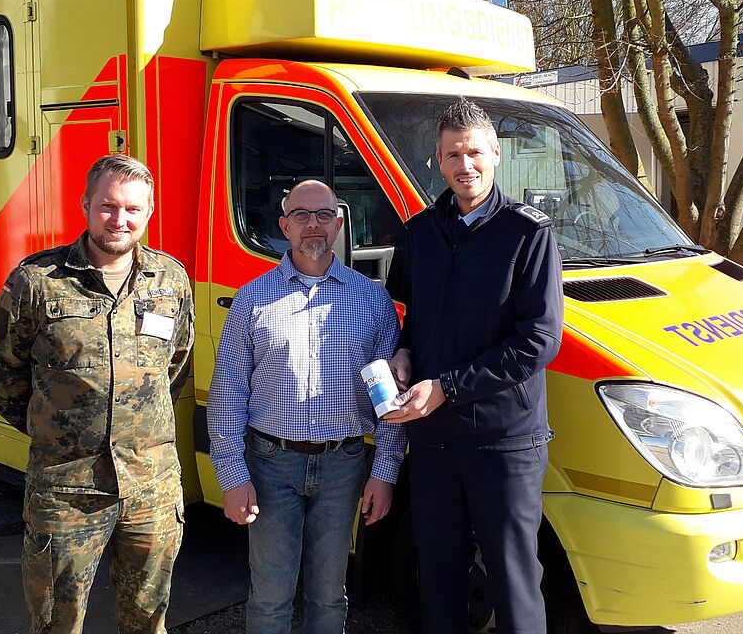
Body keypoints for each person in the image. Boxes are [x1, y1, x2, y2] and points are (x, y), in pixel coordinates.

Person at [0, 154, 194, 634]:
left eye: (132, 209)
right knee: (58, 623)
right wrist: (58, 432)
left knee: (148, 620)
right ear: (85, 204)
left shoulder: (171, 279)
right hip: (65, 489)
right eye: (107, 206)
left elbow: (174, 366)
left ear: (149, 213)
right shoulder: (36, 281)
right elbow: (5, 371)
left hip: (151, 487)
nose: (119, 219)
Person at [385, 97, 563, 634]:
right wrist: (403, 352)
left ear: (496, 155)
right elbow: (414, 318)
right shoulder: (420, 233)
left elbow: (539, 340)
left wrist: (448, 387)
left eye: (474, 153)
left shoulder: (527, 233)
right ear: (438, 162)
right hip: (435, 437)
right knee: (437, 577)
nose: (465, 165)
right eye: (452, 154)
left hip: (503, 441)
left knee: (513, 581)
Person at [207, 179, 406, 634]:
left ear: (338, 224)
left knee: (329, 596)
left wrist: (385, 473)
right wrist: (233, 478)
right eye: (301, 215)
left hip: (344, 466)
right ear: (284, 225)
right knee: (271, 597)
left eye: (323, 215)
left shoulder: (371, 299)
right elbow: (228, 392)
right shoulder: (253, 298)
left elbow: (389, 399)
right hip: (270, 465)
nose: (312, 225)